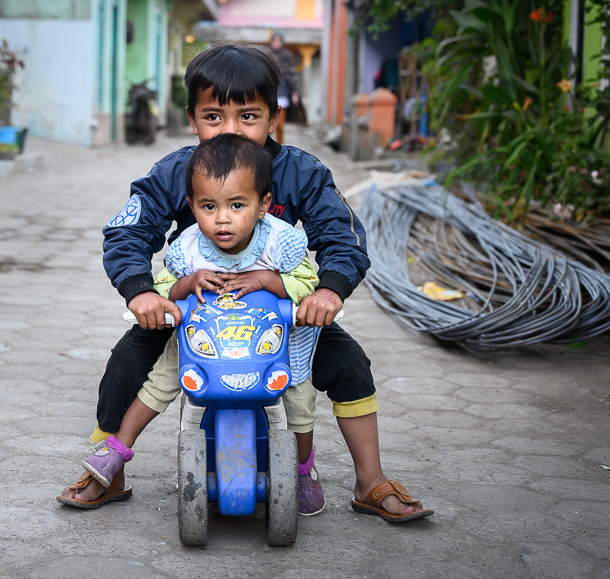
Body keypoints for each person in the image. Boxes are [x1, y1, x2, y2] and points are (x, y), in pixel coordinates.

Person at [58, 42, 432, 523]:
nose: (230, 130)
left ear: (274, 119)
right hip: (196, 307)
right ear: (192, 119)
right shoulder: (177, 171)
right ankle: (109, 471)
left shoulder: (301, 171)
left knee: (349, 363)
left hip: (277, 312)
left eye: (248, 116)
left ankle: (370, 479)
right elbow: (128, 230)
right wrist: (142, 292)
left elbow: (343, 235)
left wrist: (328, 290)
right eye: (213, 116)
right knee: (128, 361)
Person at [65, 133, 327, 515]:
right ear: (191, 205)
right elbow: (165, 287)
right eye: (208, 206)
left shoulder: (280, 241)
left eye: (237, 205)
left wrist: (270, 281)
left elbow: (308, 283)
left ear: (263, 204)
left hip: (270, 337)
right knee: (163, 377)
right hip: (206, 337)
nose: (222, 218)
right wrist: (186, 285)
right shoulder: (188, 246)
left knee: (299, 396)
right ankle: (118, 449)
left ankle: (302, 470)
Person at [268, 33, 302, 143]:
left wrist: (294, 92)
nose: (276, 43)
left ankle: (280, 145)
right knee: (267, 122)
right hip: (269, 92)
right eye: (275, 41)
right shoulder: (267, 54)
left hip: (283, 92)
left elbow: (291, 75)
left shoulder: (287, 55)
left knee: (280, 124)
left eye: (279, 41)